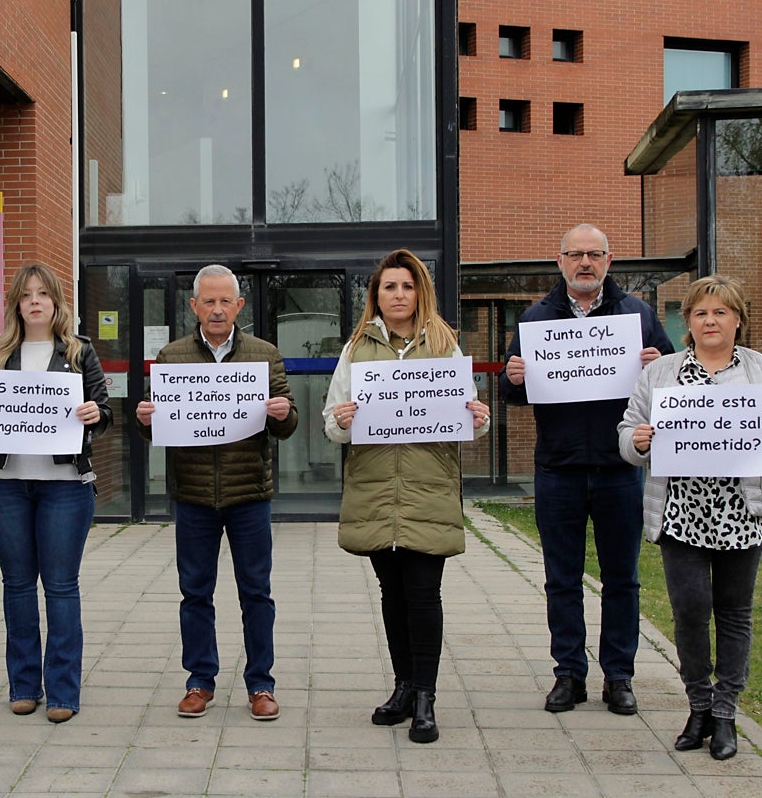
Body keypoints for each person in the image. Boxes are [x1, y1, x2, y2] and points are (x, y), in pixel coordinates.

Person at [499, 223, 673, 715]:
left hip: (621, 469)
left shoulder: (637, 315)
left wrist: (658, 363)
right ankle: (568, 673)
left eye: (594, 254)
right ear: (560, 262)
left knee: (623, 578)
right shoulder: (536, 318)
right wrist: (513, 377)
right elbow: (513, 393)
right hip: (559, 469)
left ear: (608, 261)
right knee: (561, 578)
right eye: (575, 255)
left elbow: (673, 383)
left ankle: (619, 676)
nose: (584, 263)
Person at [322, 249, 490, 744]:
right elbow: (331, 420)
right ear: (376, 295)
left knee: (422, 593)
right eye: (389, 287)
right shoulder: (356, 349)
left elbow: (467, 421)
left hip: (427, 489)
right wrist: (343, 423)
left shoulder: (446, 346)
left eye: (407, 286)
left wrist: (477, 419)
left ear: (421, 292)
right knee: (391, 594)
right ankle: (402, 687)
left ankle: (426, 698)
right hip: (374, 489)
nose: (398, 295)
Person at [0, 263, 111, 724]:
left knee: (61, 588)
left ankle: (63, 690)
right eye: (26, 295)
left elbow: (105, 411)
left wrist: (92, 414)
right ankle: (23, 685)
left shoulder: (80, 352)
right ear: (16, 304)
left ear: (57, 302)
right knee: (18, 587)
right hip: (6, 487)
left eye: (43, 294)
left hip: (65, 487)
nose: (35, 301)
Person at [134, 264, 296, 721]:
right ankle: (199, 681)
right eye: (209, 301)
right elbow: (156, 426)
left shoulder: (264, 355)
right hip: (193, 496)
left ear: (239, 305)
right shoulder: (171, 357)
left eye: (226, 301)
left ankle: (261, 684)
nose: (218, 309)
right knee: (195, 593)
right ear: (195, 306)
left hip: (249, 494)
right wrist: (144, 421)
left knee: (256, 593)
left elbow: (287, 425)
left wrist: (282, 413)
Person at [619, 274, 762, 760]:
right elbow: (628, 427)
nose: (710, 320)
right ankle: (698, 703)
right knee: (689, 611)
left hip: (743, 514)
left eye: (721, 311)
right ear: (688, 321)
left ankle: (725, 715)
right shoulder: (662, 374)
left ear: (738, 318)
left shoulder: (759, 373)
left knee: (735, 613)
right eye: (700, 312)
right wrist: (636, 442)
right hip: (681, 514)